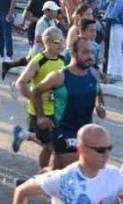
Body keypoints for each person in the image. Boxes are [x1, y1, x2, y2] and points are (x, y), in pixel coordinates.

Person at [30, 37, 105, 170]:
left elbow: (98, 90)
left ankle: (34, 183)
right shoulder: (60, 76)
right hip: (63, 130)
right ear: (74, 53)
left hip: (84, 129)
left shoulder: (94, 74)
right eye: (85, 52)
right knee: (75, 168)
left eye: (92, 53)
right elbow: (36, 91)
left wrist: (101, 105)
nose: (90, 56)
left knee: (58, 170)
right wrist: (41, 116)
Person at [12, 27, 66, 170]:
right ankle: (44, 178)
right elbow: (21, 82)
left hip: (57, 111)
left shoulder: (63, 59)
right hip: (40, 113)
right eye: (57, 42)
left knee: (49, 148)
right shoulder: (38, 61)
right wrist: (34, 99)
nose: (61, 44)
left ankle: (42, 175)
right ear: (47, 42)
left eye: (62, 40)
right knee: (54, 148)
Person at [2, 0, 60, 79]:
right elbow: (25, 15)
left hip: (49, 32)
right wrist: (40, 20)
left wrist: (57, 23)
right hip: (35, 31)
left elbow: (59, 16)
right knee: (36, 56)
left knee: (31, 57)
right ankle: (29, 78)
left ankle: (9, 66)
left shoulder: (55, 1)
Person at [100, 0, 123, 82]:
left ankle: (118, 73)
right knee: (111, 49)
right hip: (110, 26)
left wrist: (106, 16)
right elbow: (104, 6)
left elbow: (113, 13)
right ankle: (111, 71)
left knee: (116, 50)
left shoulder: (121, 1)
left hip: (117, 26)